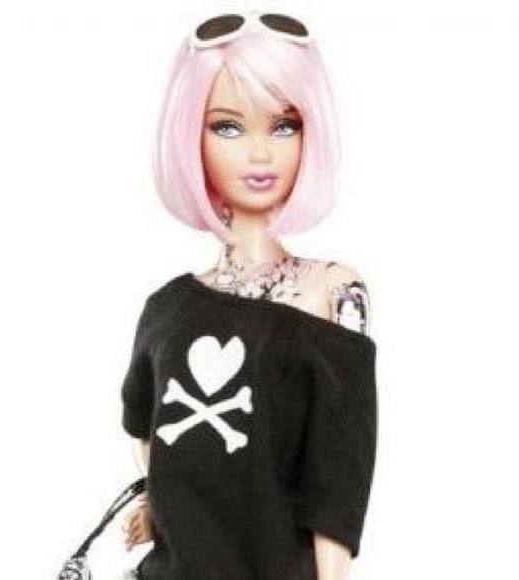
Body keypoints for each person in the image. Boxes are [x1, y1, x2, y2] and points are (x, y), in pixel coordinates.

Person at [120, 11, 377, 580]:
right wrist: (159, 502)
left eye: (284, 126)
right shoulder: (166, 308)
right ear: (189, 138)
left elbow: (339, 476)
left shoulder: (333, 291)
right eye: (228, 128)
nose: (260, 154)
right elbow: (145, 429)